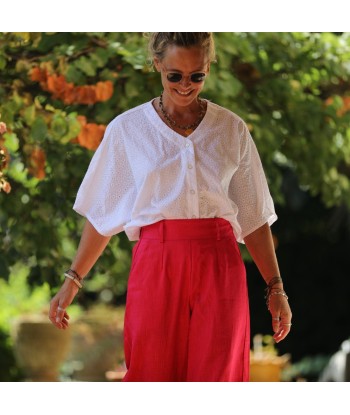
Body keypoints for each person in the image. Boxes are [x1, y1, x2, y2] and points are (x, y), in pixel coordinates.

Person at [49, 32, 292, 382]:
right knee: (152, 375)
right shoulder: (127, 130)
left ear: (208, 68)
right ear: (158, 64)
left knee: (218, 379)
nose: (185, 85)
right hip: (156, 261)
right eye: (174, 75)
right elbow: (103, 214)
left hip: (220, 263)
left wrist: (276, 288)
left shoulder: (231, 128)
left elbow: (253, 218)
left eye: (196, 76)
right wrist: (72, 281)